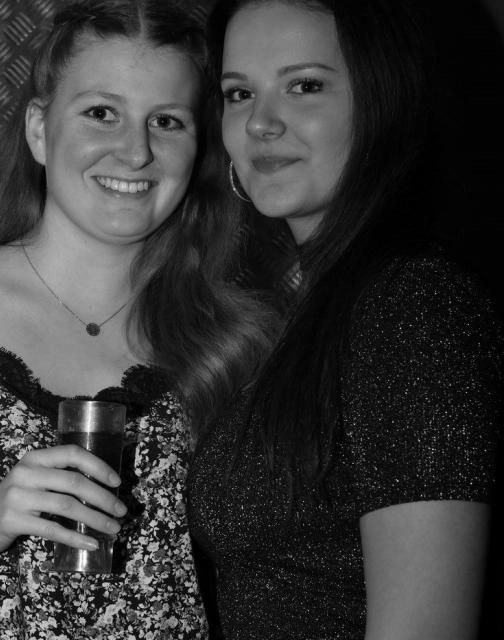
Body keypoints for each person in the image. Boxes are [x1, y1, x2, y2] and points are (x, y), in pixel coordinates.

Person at [0, 1, 273, 638]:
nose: (135, 151)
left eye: (166, 121)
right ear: (39, 129)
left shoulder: (234, 342)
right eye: (101, 112)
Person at [188, 1, 503, 639]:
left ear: (382, 99)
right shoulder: (308, 303)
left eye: (305, 85)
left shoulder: (414, 306)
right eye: (239, 93)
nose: (261, 123)